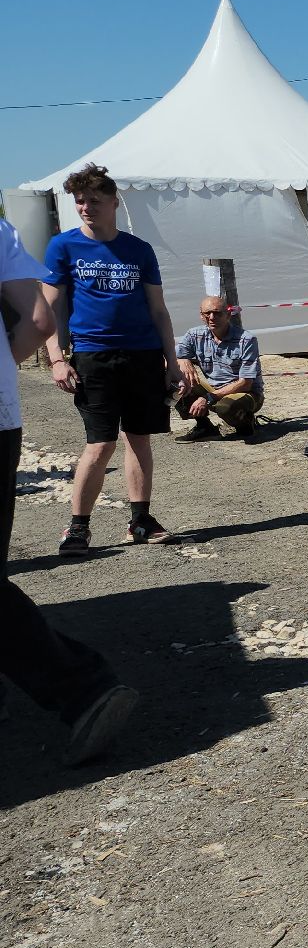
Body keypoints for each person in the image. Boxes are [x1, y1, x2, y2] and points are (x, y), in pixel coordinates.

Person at [1, 218, 140, 764]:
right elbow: (39, 314)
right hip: (8, 413)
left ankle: (81, 686)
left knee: (118, 444)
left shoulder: (133, 248)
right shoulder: (34, 237)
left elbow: (41, 316)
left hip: (110, 360)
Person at [39, 164, 180, 554]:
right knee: (99, 444)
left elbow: (158, 311)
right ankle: (78, 527)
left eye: (94, 201)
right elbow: (48, 309)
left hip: (144, 355)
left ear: (114, 202)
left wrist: (172, 361)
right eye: (80, 201)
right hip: (93, 356)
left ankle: (140, 520)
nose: (85, 207)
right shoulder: (63, 246)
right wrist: (56, 358)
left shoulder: (139, 250)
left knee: (139, 438)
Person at [173, 296, 262, 441]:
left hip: (246, 393)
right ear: (201, 315)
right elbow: (166, 360)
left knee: (226, 406)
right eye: (207, 313)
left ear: (228, 315)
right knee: (171, 377)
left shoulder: (246, 340)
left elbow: (245, 383)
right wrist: (182, 360)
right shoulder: (194, 335)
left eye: (217, 313)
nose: (212, 317)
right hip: (213, 389)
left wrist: (207, 398)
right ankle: (204, 427)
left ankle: (245, 422)